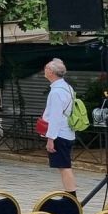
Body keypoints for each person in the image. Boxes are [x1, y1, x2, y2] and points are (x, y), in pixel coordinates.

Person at [40, 57, 76, 193]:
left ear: (51, 72)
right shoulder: (67, 87)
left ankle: (72, 197)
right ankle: (70, 195)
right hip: (67, 131)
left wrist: (50, 139)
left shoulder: (56, 92)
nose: (45, 70)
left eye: (46, 68)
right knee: (64, 166)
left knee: (64, 167)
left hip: (60, 133)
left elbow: (55, 117)